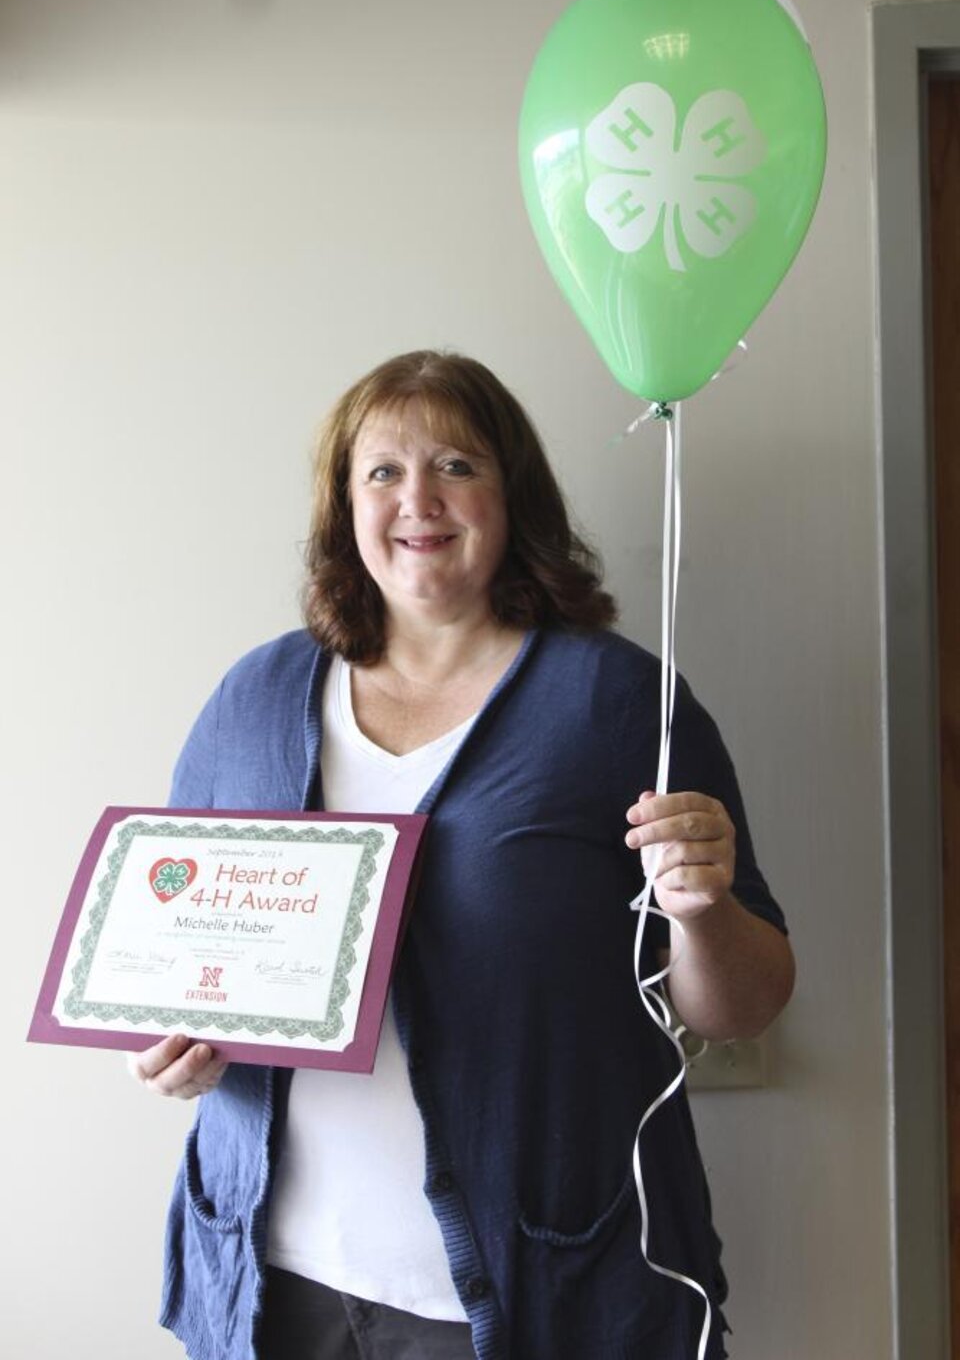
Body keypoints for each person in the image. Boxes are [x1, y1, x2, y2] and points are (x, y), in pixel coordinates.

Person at [130, 350, 794, 1360]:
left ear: (512, 494)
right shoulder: (256, 695)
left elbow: (745, 1004)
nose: (419, 499)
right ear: (344, 506)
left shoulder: (618, 703)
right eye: (383, 471)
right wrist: (181, 1039)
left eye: (457, 465)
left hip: (536, 1287)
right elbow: (175, 951)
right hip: (273, 1281)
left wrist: (701, 911)